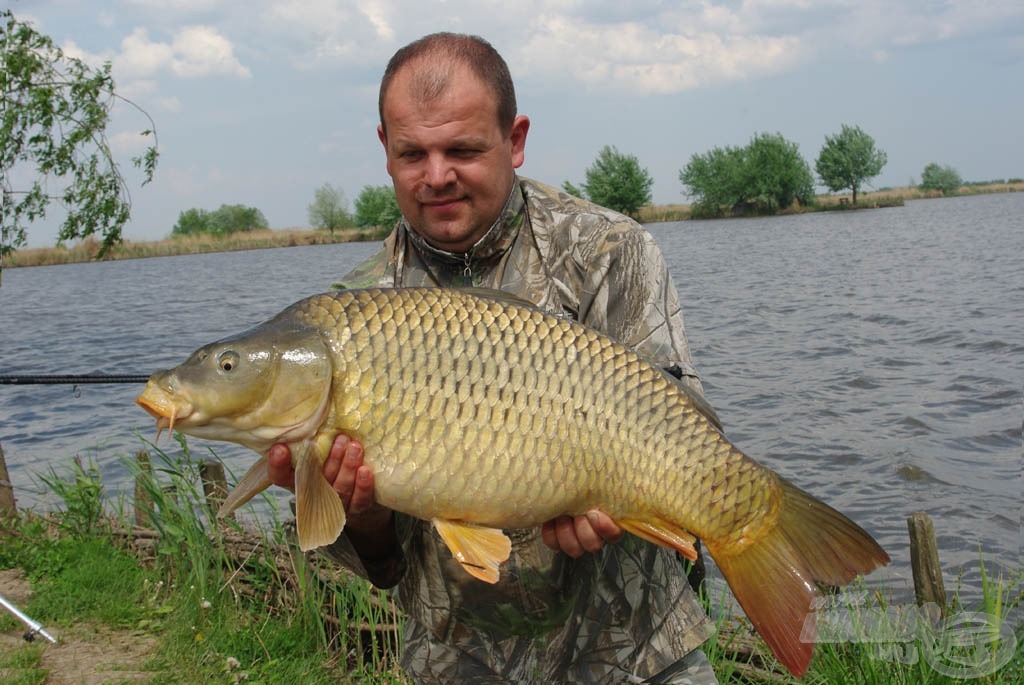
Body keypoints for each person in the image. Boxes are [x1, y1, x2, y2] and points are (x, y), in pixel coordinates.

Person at [268, 32, 719, 684]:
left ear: (515, 139)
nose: (437, 175)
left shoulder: (608, 253)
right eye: (412, 153)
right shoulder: (345, 320)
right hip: (460, 660)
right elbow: (382, 564)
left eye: (463, 149)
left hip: (636, 651)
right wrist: (361, 511)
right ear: (385, 151)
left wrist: (615, 497)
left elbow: (685, 435)